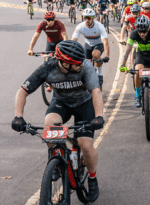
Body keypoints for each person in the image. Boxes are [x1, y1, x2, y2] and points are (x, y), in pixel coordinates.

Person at [12, 40, 104, 202]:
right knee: (49, 124)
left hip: (84, 104)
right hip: (61, 104)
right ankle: (54, 155)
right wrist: (18, 116)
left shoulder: (85, 66)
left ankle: (92, 177)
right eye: (76, 64)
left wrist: (99, 116)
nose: (80, 66)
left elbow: (96, 91)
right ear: (64, 62)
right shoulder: (48, 67)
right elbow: (22, 91)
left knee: (85, 145)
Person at [119, 16, 150, 114]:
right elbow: (127, 50)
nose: (142, 34)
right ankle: (138, 94)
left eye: (144, 32)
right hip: (141, 55)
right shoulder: (134, 34)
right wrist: (122, 65)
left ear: (148, 28)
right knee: (137, 71)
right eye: (140, 32)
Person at [72, 8, 110, 89]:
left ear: (93, 18)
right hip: (88, 45)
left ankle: (100, 73)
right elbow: (73, 41)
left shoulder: (99, 26)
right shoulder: (80, 26)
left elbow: (105, 42)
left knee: (95, 55)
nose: (87, 20)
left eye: (89, 18)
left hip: (98, 44)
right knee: (84, 64)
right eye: (85, 18)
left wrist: (107, 56)